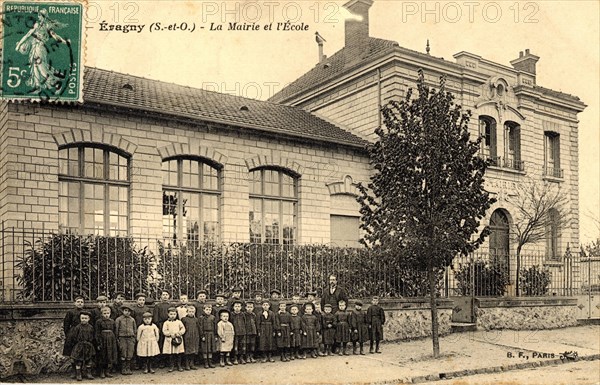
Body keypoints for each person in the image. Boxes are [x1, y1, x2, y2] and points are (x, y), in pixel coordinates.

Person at [14, 8, 69, 94]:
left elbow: (55, 36)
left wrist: (65, 42)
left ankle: (57, 83)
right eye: (39, 15)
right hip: (34, 48)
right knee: (34, 67)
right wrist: (18, 45)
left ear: (44, 16)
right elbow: (28, 35)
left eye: (41, 15)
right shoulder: (37, 25)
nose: (39, 17)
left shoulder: (47, 26)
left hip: (40, 48)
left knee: (42, 69)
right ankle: (37, 87)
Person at [63, 295, 85, 378]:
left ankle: (81, 371)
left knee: (81, 352)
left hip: (82, 334)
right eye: (78, 302)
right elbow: (66, 325)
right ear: (74, 303)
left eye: (82, 302)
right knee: (72, 353)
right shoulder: (70, 312)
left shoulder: (85, 312)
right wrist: (68, 335)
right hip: (72, 334)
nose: (80, 303)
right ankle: (74, 371)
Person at [70, 311, 96, 381]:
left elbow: (93, 336)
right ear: (80, 318)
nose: (84, 320)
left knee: (88, 360)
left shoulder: (91, 327)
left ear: (89, 319)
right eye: (82, 318)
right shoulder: (77, 327)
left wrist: (89, 342)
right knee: (78, 361)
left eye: (85, 318)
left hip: (88, 345)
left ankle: (89, 373)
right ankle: (79, 374)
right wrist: (78, 343)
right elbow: (74, 337)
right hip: (79, 345)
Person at [95, 306, 118, 378]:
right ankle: (102, 371)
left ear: (110, 313)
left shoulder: (112, 321)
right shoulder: (99, 322)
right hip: (103, 339)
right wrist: (98, 342)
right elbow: (97, 332)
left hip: (111, 339)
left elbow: (115, 331)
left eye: (108, 313)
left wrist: (115, 340)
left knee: (110, 355)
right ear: (101, 314)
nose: (106, 315)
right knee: (103, 355)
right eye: (104, 313)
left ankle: (107, 371)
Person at [162, 307, 186, 372]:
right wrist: (169, 334)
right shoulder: (166, 323)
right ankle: (171, 366)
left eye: (174, 314)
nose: (173, 316)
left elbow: (183, 329)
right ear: (168, 314)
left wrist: (179, 333)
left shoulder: (179, 322)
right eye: (171, 314)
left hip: (177, 339)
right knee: (171, 353)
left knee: (178, 353)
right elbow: (164, 330)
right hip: (169, 339)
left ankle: (179, 365)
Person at [115, 304, 137, 375]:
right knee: (123, 352)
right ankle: (123, 368)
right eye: (126, 311)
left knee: (130, 353)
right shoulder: (119, 319)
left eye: (129, 311)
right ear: (122, 311)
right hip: (122, 338)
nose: (127, 312)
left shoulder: (132, 319)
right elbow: (117, 330)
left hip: (130, 338)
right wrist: (117, 338)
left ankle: (128, 368)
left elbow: (135, 329)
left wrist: (134, 338)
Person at [153, 289, 172, 367]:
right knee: (161, 342)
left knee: (169, 342)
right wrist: (158, 326)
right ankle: (161, 361)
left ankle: (169, 360)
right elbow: (156, 318)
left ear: (169, 296)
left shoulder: (171, 306)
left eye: (166, 295)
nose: (165, 296)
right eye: (163, 295)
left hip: (169, 325)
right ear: (161, 296)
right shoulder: (157, 306)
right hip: (160, 325)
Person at [181, 305, 201, 370]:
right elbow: (182, 328)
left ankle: (192, 364)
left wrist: (200, 335)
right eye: (190, 311)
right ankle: (187, 364)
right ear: (187, 312)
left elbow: (199, 328)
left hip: (195, 336)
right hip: (187, 336)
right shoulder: (184, 319)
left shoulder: (196, 319)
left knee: (194, 350)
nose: (191, 313)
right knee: (187, 350)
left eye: (193, 312)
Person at [199, 304, 217, 368]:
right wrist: (202, 336)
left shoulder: (213, 317)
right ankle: (205, 362)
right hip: (205, 334)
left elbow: (215, 327)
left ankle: (210, 362)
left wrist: (215, 335)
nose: (208, 311)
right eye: (207, 309)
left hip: (211, 334)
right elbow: (200, 327)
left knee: (210, 349)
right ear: (204, 310)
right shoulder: (201, 318)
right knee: (205, 349)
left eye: (210, 310)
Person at [230, 300, 247, 364]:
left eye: (239, 306)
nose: (237, 308)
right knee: (235, 346)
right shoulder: (232, 314)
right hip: (235, 333)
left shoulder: (242, 314)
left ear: (241, 307)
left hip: (242, 332)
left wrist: (244, 330)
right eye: (236, 306)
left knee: (242, 345)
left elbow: (244, 322)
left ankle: (241, 358)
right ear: (233, 307)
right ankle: (235, 358)